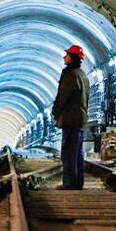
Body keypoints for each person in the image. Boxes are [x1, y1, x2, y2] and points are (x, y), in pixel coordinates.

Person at [52, 45, 89, 190]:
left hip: (70, 118)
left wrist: (55, 112)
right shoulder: (83, 75)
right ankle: (77, 183)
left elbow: (63, 97)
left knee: (68, 153)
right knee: (78, 153)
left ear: (72, 58)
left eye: (67, 55)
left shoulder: (70, 75)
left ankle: (69, 183)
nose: (64, 57)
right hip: (80, 119)